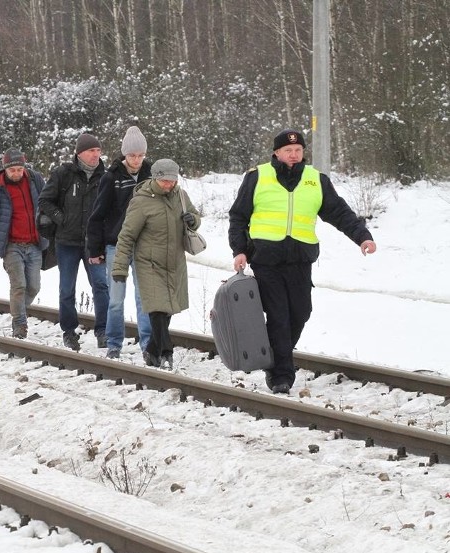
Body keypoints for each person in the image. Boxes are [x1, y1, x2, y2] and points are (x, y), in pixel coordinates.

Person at [229, 129, 377, 394]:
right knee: (278, 316)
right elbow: (238, 217)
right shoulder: (257, 176)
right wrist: (239, 250)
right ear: (276, 153)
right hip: (266, 259)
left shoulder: (316, 180)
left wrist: (362, 237)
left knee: (300, 313)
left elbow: (339, 213)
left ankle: (274, 355)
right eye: (288, 151)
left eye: (298, 151)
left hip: (300, 259)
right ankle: (280, 376)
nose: (294, 155)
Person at [112, 159, 198, 370]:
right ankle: (166, 351)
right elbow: (126, 236)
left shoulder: (181, 196)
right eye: (164, 181)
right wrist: (120, 267)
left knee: (167, 310)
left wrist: (192, 220)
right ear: (155, 177)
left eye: (172, 180)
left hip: (175, 262)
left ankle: (152, 350)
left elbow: (195, 216)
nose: (169, 185)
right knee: (157, 309)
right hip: (149, 263)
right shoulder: (141, 201)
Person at [37, 133, 109, 351]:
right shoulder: (63, 174)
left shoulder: (105, 176)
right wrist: (61, 219)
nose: (96, 155)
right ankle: (69, 331)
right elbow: (44, 200)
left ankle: (103, 330)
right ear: (80, 153)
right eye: (91, 151)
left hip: (93, 244)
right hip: (66, 242)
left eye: (98, 151)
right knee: (66, 288)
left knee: (100, 285)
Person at [86, 126, 153, 359]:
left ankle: (148, 345)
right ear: (125, 154)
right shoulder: (111, 177)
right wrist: (95, 248)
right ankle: (114, 343)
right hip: (117, 245)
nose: (136, 160)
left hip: (144, 245)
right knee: (116, 298)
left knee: (144, 298)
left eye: (140, 155)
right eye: (132, 155)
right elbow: (97, 215)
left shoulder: (151, 174)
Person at [0, 149, 47, 338]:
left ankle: (18, 311)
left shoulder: (35, 180)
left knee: (34, 287)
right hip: (11, 245)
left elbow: (49, 201)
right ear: (5, 169)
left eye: (19, 169)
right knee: (19, 285)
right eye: (12, 170)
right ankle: (19, 325)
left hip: (34, 244)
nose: (16, 173)